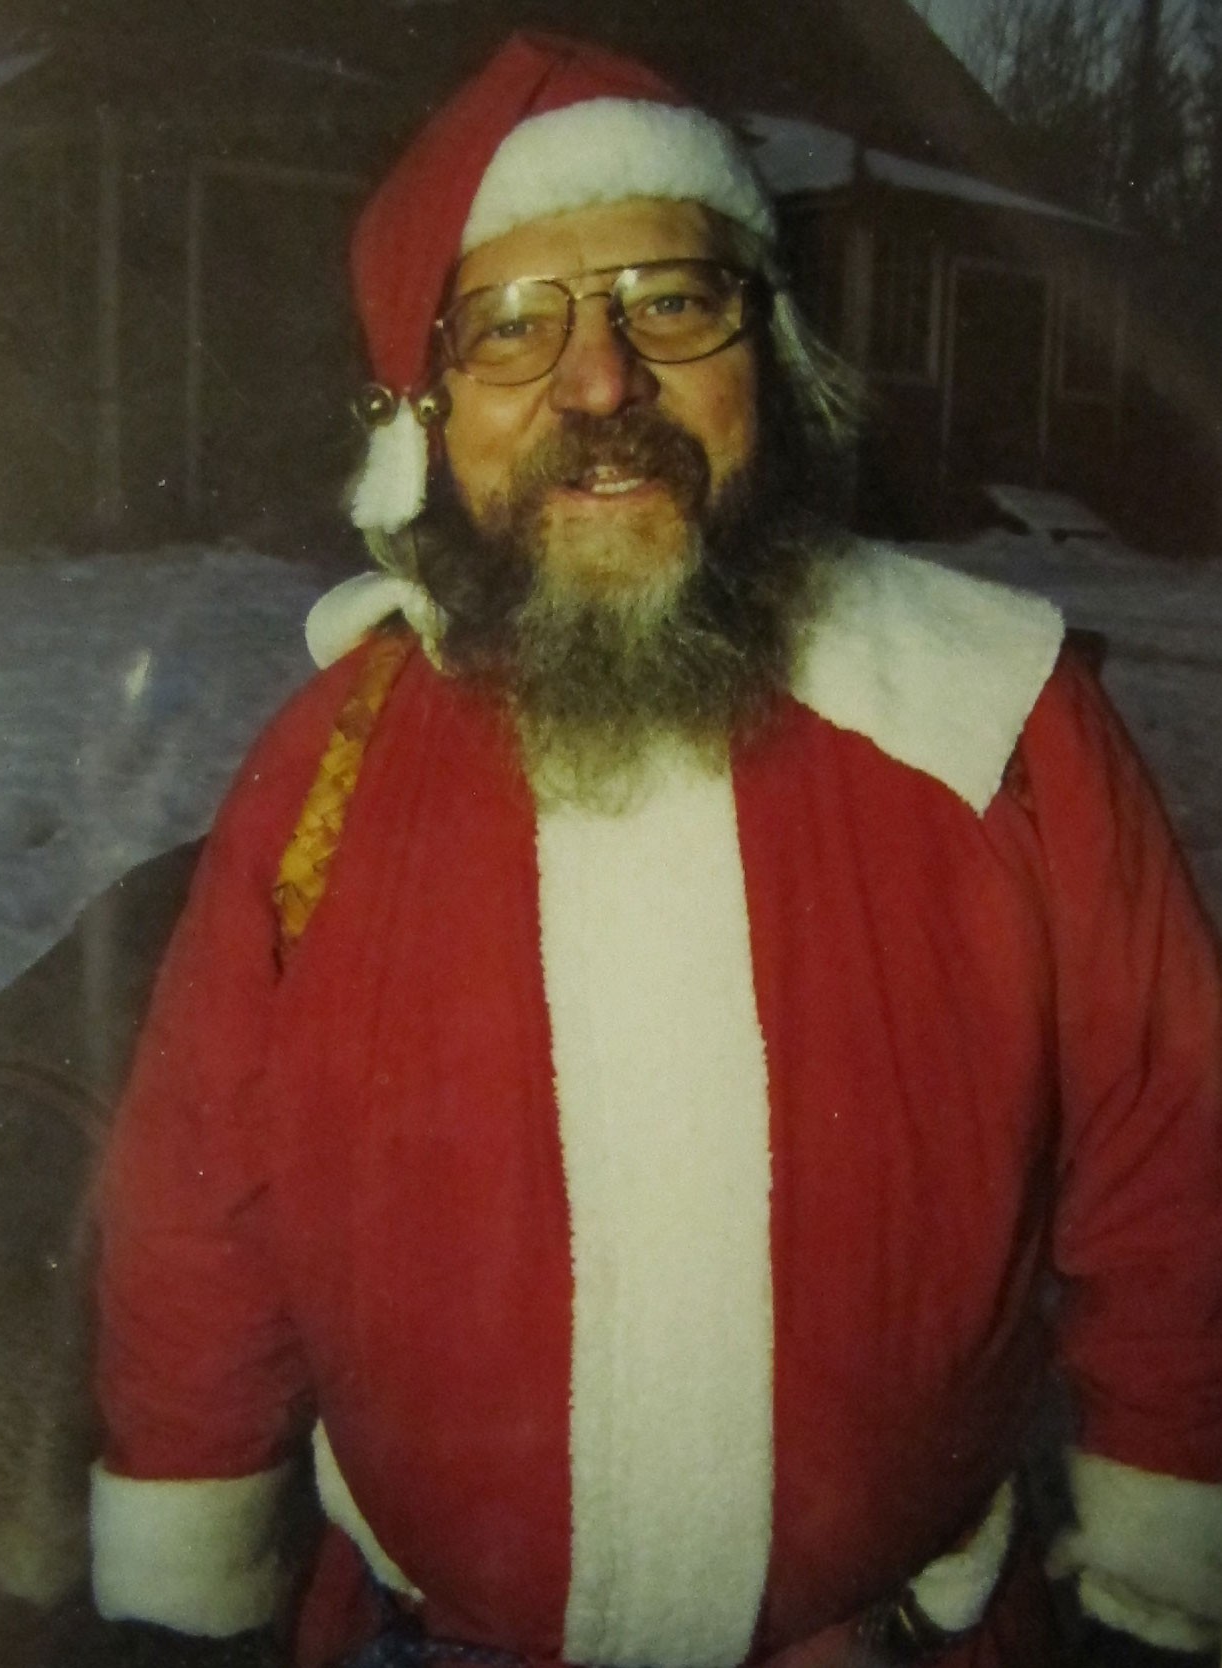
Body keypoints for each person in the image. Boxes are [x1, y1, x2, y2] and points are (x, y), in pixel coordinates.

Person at [71, 31, 1222, 1668]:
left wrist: (1162, 1588)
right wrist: (183, 1583)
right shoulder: (323, 766)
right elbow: (199, 1219)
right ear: (423, 413)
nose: (600, 384)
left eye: (670, 303)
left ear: (770, 353)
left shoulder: (995, 720)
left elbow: (1180, 1181)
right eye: (510, 326)